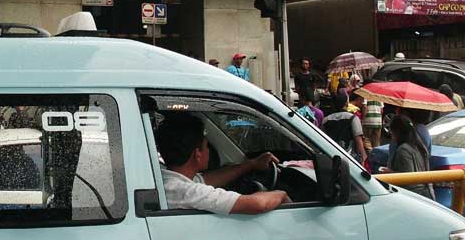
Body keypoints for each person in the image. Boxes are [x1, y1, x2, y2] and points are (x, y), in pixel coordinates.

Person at [155, 113, 289, 215]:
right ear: (198, 153)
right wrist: (282, 194)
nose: (208, 151)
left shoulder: (168, 181)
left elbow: (206, 180)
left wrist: (251, 164)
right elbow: (258, 204)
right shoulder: (186, 192)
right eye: (206, 146)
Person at [386, 115, 434, 200]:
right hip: (428, 195)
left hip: (413, 196)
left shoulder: (404, 149)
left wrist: (389, 173)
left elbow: (407, 177)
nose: (392, 137)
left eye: (392, 133)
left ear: (397, 132)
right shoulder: (420, 146)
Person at [321, 91, 367, 164]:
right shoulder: (353, 118)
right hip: (349, 157)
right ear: (346, 104)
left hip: (331, 155)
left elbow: (323, 139)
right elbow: (358, 139)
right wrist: (363, 156)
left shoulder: (326, 120)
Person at [361, 80, 384, 151]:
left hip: (368, 121)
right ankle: (376, 155)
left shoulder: (366, 93)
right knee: (376, 142)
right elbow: (381, 110)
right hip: (378, 122)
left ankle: (370, 154)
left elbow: (364, 107)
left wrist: (362, 119)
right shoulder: (379, 95)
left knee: (367, 140)